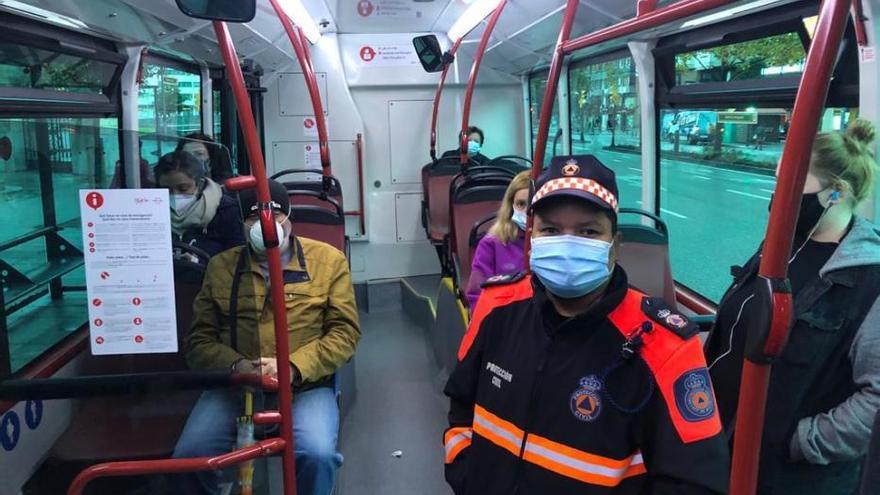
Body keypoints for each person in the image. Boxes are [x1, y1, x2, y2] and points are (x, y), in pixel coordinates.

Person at [444, 155, 729, 494]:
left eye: (588, 231)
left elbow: (695, 481)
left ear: (614, 246)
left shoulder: (665, 346)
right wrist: (466, 474)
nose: (568, 245)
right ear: (532, 239)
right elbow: (461, 405)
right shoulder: (497, 306)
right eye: (551, 229)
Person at [705, 119, 880, 495]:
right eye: (777, 180)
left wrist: (802, 440)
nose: (777, 194)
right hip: (725, 440)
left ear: (836, 193)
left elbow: (874, 401)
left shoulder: (869, 281)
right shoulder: (781, 244)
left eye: (791, 184)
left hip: (789, 474)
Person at [171, 179, 360, 495]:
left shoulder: (328, 262)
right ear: (242, 223)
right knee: (189, 457)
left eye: (274, 215)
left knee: (317, 454)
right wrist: (238, 366)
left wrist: (292, 366)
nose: (264, 225)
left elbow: (345, 333)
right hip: (235, 386)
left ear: (288, 217)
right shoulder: (222, 268)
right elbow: (199, 341)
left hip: (305, 385)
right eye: (253, 217)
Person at [154, 150, 244, 257]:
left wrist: (200, 263)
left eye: (183, 189)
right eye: (167, 190)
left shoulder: (226, 211)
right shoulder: (152, 214)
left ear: (200, 184)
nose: (175, 195)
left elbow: (236, 260)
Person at [465, 170, 529, 308]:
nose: (527, 211)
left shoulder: (555, 243)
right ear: (511, 206)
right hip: (504, 318)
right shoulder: (492, 244)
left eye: (533, 204)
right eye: (521, 204)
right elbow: (477, 294)